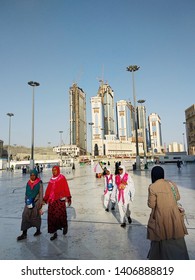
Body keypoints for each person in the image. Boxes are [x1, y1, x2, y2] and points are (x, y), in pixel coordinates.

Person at [147, 165, 189, 260]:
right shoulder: (171, 184)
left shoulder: (153, 187)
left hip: (160, 217)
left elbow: (151, 205)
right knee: (176, 238)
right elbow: (177, 197)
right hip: (174, 216)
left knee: (160, 237)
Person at [42, 165, 72, 241]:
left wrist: (68, 197)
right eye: (52, 170)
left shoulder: (62, 178)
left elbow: (66, 187)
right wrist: (45, 199)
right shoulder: (51, 180)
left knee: (61, 216)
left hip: (59, 200)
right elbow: (48, 190)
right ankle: (54, 233)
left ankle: (65, 226)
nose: (54, 171)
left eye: (55, 170)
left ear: (58, 170)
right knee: (52, 218)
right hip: (52, 201)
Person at [17, 168, 43, 241]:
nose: (32, 177)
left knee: (36, 217)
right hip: (28, 203)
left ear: (36, 175)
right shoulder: (28, 183)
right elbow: (26, 193)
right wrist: (26, 201)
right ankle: (24, 233)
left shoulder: (39, 183)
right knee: (25, 216)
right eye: (31, 175)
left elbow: (41, 194)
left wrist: (40, 204)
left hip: (36, 203)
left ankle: (38, 230)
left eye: (34, 175)